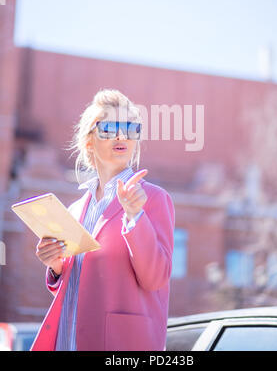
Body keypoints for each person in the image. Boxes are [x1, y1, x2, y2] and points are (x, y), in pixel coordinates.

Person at [31, 88, 175, 351]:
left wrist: (135, 216)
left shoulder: (153, 199)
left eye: (130, 129)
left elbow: (156, 278)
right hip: (67, 341)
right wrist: (56, 267)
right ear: (89, 141)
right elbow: (78, 290)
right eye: (109, 127)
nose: (121, 135)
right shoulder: (75, 209)